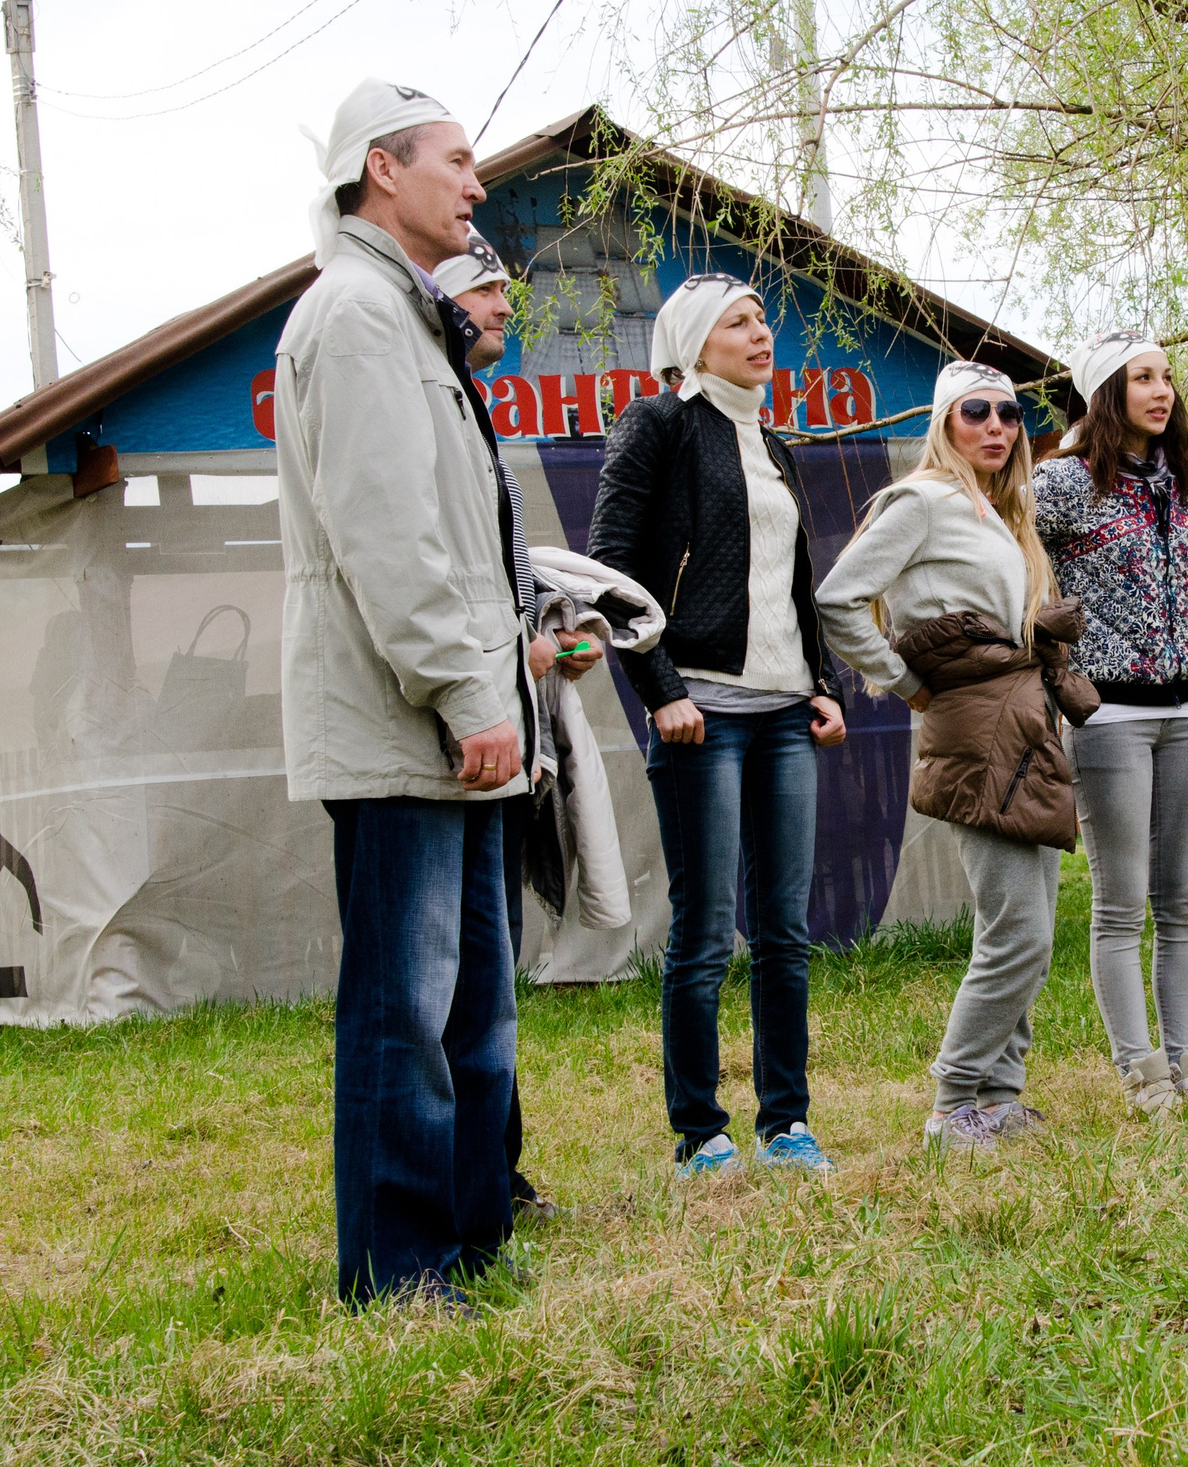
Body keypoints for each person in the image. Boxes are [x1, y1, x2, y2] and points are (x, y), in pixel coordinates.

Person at [274, 79, 531, 1307]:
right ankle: (399, 1274)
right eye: (456, 160)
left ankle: (472, 1237)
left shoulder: (407, 319)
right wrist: (460, 693)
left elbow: (461, 539)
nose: (476, 185)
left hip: (456, 723)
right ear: (382, 169)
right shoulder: (356, 319)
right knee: (405, 1014)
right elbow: (387, 537)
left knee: (474, 1012)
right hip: (405, 726)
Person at [586, 272, 849, 1178]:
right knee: (705, 930)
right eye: (739, 322)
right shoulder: (658, 422)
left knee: (785, 929)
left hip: (783, 714)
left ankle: (788, 1123)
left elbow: (789, 581)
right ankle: (699, 1132)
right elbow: (611, 571)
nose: (761, 332)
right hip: (701, 710)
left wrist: (825, 683)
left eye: (764, 319)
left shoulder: (771, 440)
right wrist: (660, 689)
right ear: (696, 344)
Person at [817, 361, 1096, 1151]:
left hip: (1026, 720)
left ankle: (998, 1098)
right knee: (1017, 929)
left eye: (1008, 414)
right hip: (975, 726)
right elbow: (838, 599)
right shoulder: (924, 501)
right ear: (944, 422)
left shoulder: (998, 511)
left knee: (1030, 923)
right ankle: (951, 1104)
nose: (996, 427)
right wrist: (905, 684)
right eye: (975, 412)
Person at [435, 231, 609, 1217]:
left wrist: (554, 632)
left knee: (487, 978)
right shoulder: (421, 404)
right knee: (463, 982)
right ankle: (472, 1188)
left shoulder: (470, 411)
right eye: (488, 291)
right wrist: (518, 664)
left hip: (503, 726)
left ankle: (494, 1175)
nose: (506, 307)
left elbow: (497, 578)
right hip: (458, 738)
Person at [1033, 332, 1188, 1116]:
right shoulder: (1065, 482)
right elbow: (1018, 552)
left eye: (1167, 377)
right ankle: (1139, 1068)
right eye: (1142, 378)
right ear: (1105, 392)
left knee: (1184, 900)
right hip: (1108, 711)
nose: (1162, 390)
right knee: (1121, 901)